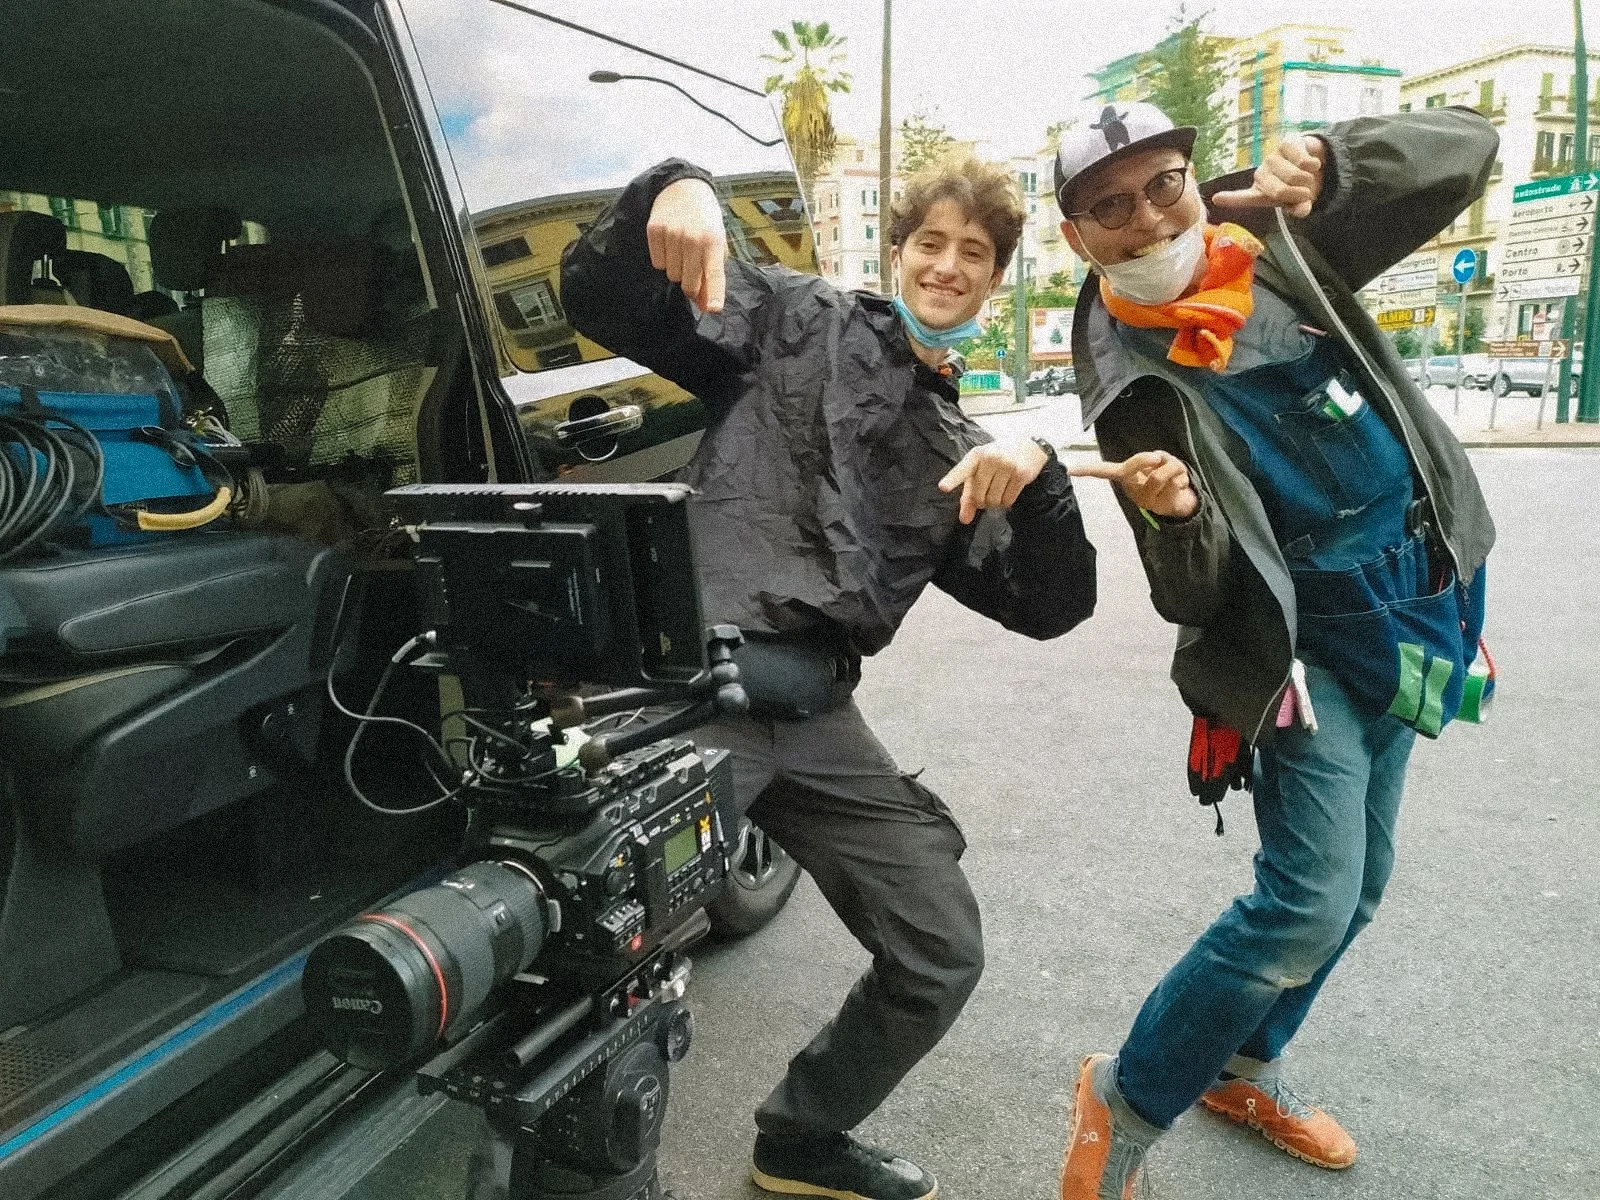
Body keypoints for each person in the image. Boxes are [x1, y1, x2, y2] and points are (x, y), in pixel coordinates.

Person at [559, 153, 1097, 1200]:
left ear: (993, 282)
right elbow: (607, 294)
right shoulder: (797, 319)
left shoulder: (960, 444)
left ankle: (799, 1140)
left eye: (973, 255)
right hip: (690, 697)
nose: (947, 266)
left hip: (814, 713)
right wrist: (673, 188)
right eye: (930, 243)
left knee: (939, 948)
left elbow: (1046, 607)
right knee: (598, 959)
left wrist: (1039, 480)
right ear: (896, 253)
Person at [1051, 101, 1497, 1198]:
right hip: (1299, 642)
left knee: (1363, 883)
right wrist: (1170, 517)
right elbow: (1194, 593)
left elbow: (1469, 151)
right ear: (1076, 237)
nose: (1146, 220)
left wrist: (1333, 163)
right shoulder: (1126, 379)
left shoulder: (1286, 242)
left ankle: (1242, 1066)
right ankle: (1131, 1092)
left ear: (1197, 182)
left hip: (1417, 598)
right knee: (1306, 898)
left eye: (1163, 186)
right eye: (1108, 208)